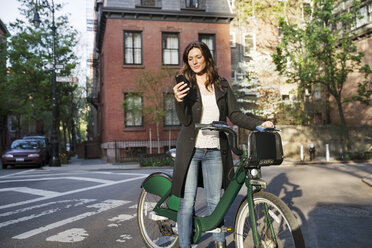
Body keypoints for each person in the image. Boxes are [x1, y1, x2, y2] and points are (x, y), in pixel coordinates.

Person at [172, 41, 274, 248]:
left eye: (198, 57)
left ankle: (219, 245)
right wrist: (178, 99)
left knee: (214, 202)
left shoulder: (221, 84)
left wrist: (259, 123)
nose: (194, 62)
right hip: (191, 150)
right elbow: (185, 120)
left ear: (207, 57)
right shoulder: (185, 85)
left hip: (215, 150)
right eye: (190, 59)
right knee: (187, 202)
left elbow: (234, 115)